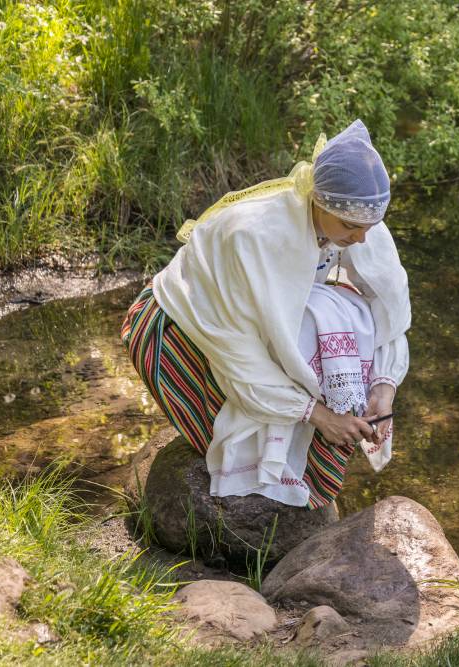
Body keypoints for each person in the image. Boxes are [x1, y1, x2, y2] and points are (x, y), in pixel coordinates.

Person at [120, 119, 410, 508]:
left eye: (369, 227)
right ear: (319, 201)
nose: (361, 238)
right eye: (351, 227)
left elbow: (389, 309)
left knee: (349, 317)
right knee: (311, 330)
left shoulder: (358, 223)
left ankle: (306, 446)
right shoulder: (253, 236)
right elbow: (236, 352)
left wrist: (383, 388)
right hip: (183, 327)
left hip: (254, 319)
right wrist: (318, 415)